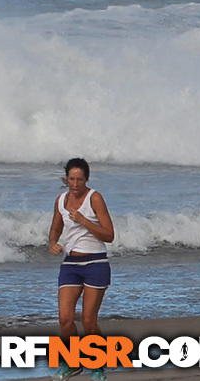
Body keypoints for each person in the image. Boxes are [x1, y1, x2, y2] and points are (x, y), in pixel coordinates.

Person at [48, 157, 115, 381]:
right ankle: (73, 364)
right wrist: (53, 244)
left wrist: (85, 221)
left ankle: (97, 365)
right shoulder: (60, 200)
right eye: (71, 179)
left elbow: (109, 235)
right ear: (66, 179)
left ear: (87, 179)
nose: (75, 184)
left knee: (88, 320)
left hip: (95, 263)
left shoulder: (94, 198)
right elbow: (55, 229)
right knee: (65, 319)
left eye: (79, 179)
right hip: (71, 265)